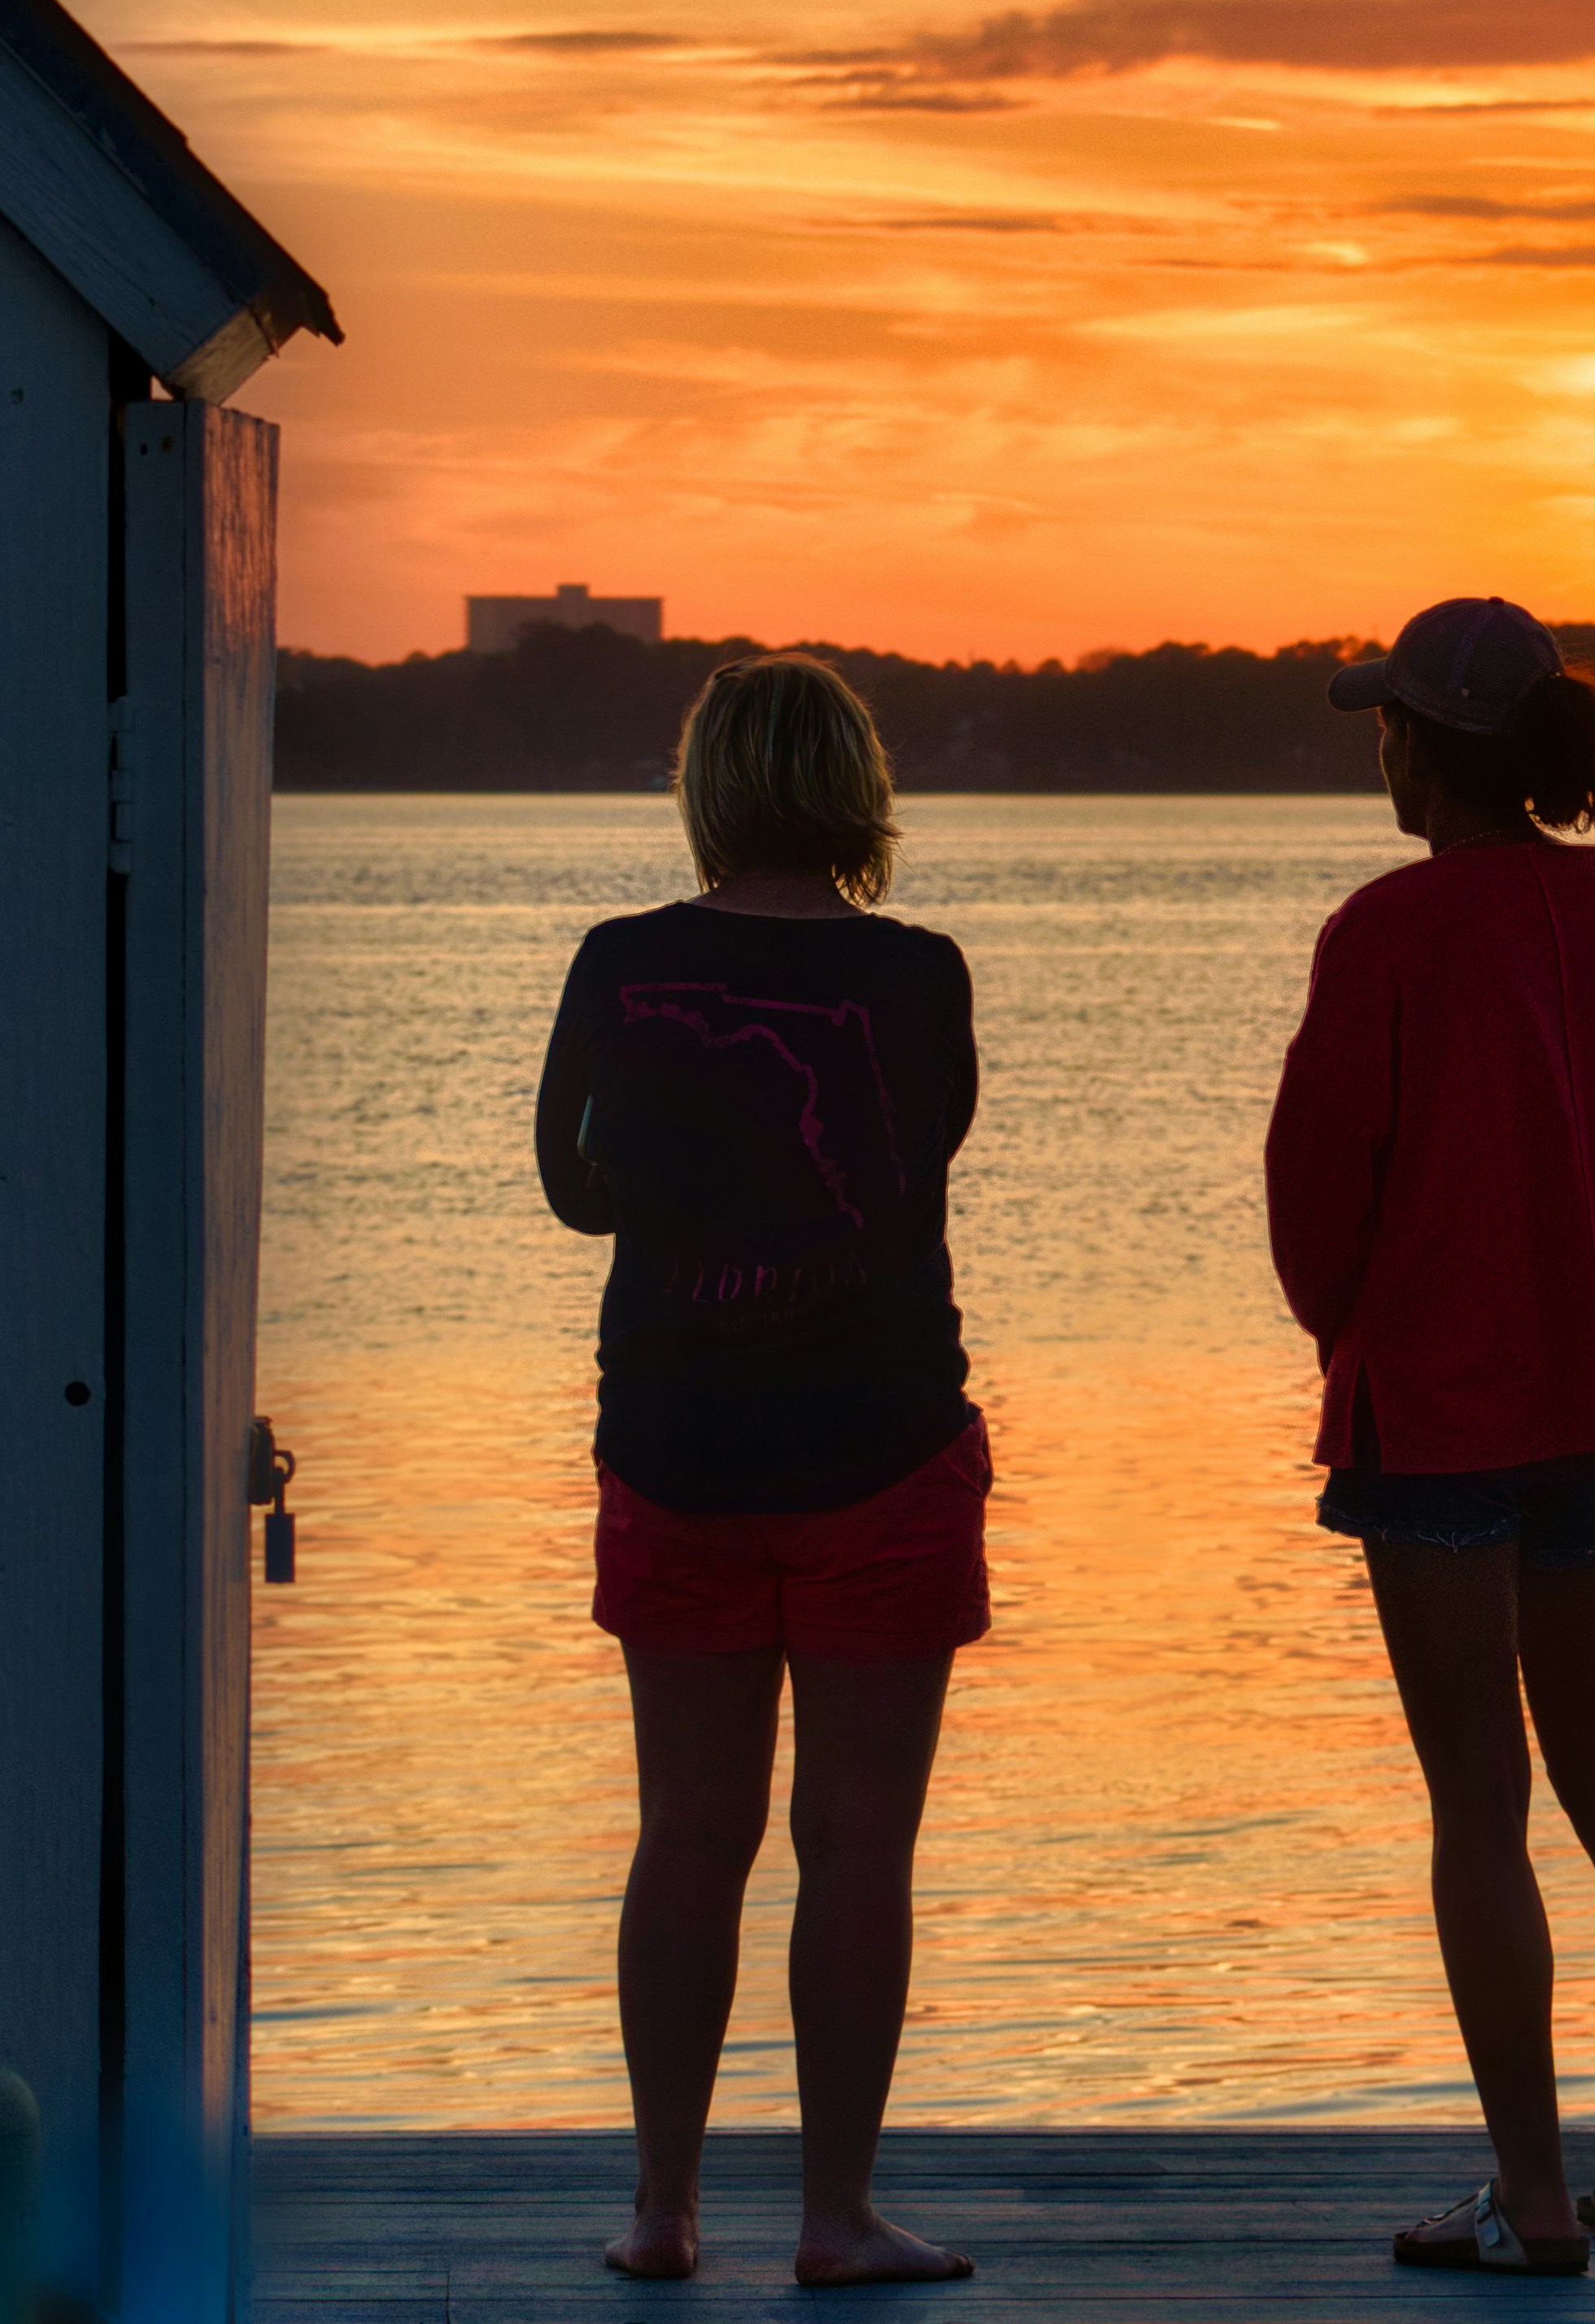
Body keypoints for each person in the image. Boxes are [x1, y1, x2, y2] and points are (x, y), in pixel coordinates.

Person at [1263, 597, 1595, 2277]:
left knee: (1478, 1801)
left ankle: (1532, 2198)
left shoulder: (1384, 932)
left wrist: (1353, 1322)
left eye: (1387, 724)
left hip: (1443, 1417)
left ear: (1429, 745)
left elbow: (1311, 1203)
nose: (1376, 751)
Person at [534, 653, 985, 2291]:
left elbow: (571, 1191)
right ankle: (833, 2217)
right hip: (879, 1443)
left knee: (686, 1833)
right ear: (855, 789)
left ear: (705, 788)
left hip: (678, 1444)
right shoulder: (920, 973)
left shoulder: (619, 960)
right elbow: (917, 1156)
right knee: (858, 1842)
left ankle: (661, 2209)